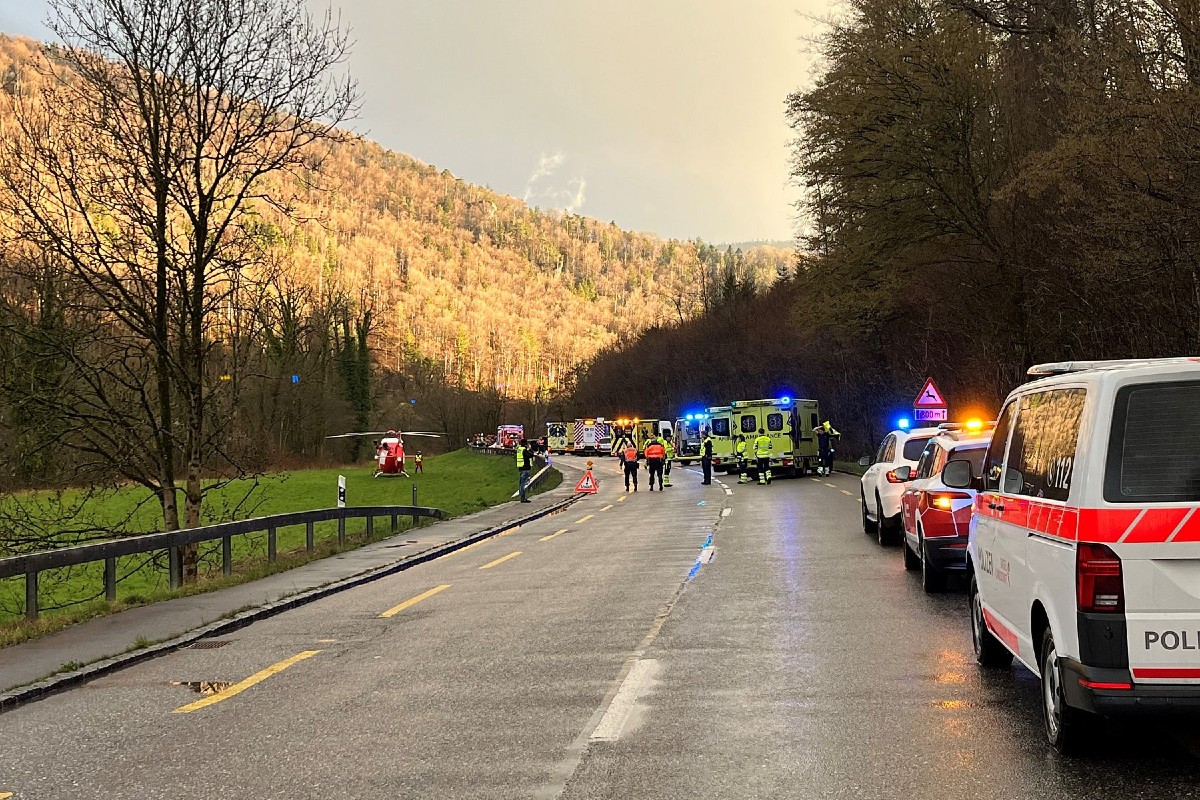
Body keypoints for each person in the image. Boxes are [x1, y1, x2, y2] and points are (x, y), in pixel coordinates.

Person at [516, 438, 533, 502]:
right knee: (523, 484)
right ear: (525, 444)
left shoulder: (519, 449)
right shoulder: (524, 450)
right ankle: (523, 498)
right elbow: (531, 455)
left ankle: (521, 497)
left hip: (520, 467)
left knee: (521, 484)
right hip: (525, 468)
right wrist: (530, 449)